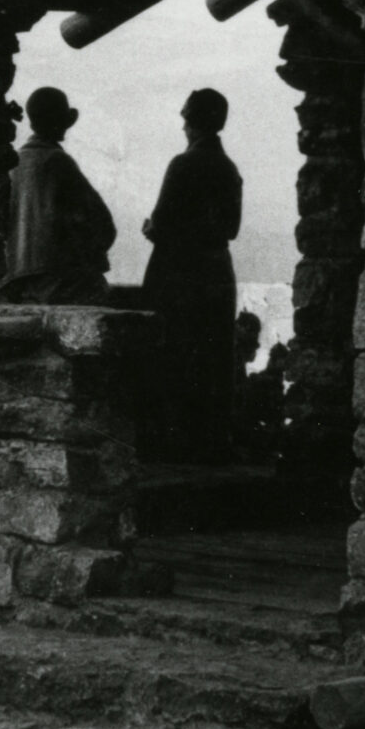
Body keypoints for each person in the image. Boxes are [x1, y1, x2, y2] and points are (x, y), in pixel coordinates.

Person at [141, 87, 243, 463]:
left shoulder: (182, 165)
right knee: (213, 359)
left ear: (192, 121)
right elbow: (230, 228)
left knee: (175, 356)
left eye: (185, 117)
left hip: (179, 273)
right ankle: (211, 444)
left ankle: (174, 446)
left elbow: (163, 223)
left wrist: (153, 229)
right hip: (216, 273)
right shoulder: (228, 168)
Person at [1, 87, 117, 303]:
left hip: (18, 281)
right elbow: (101, 222)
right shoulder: (58, 161)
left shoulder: (15, 165)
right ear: (63, 119)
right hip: (58, 280)